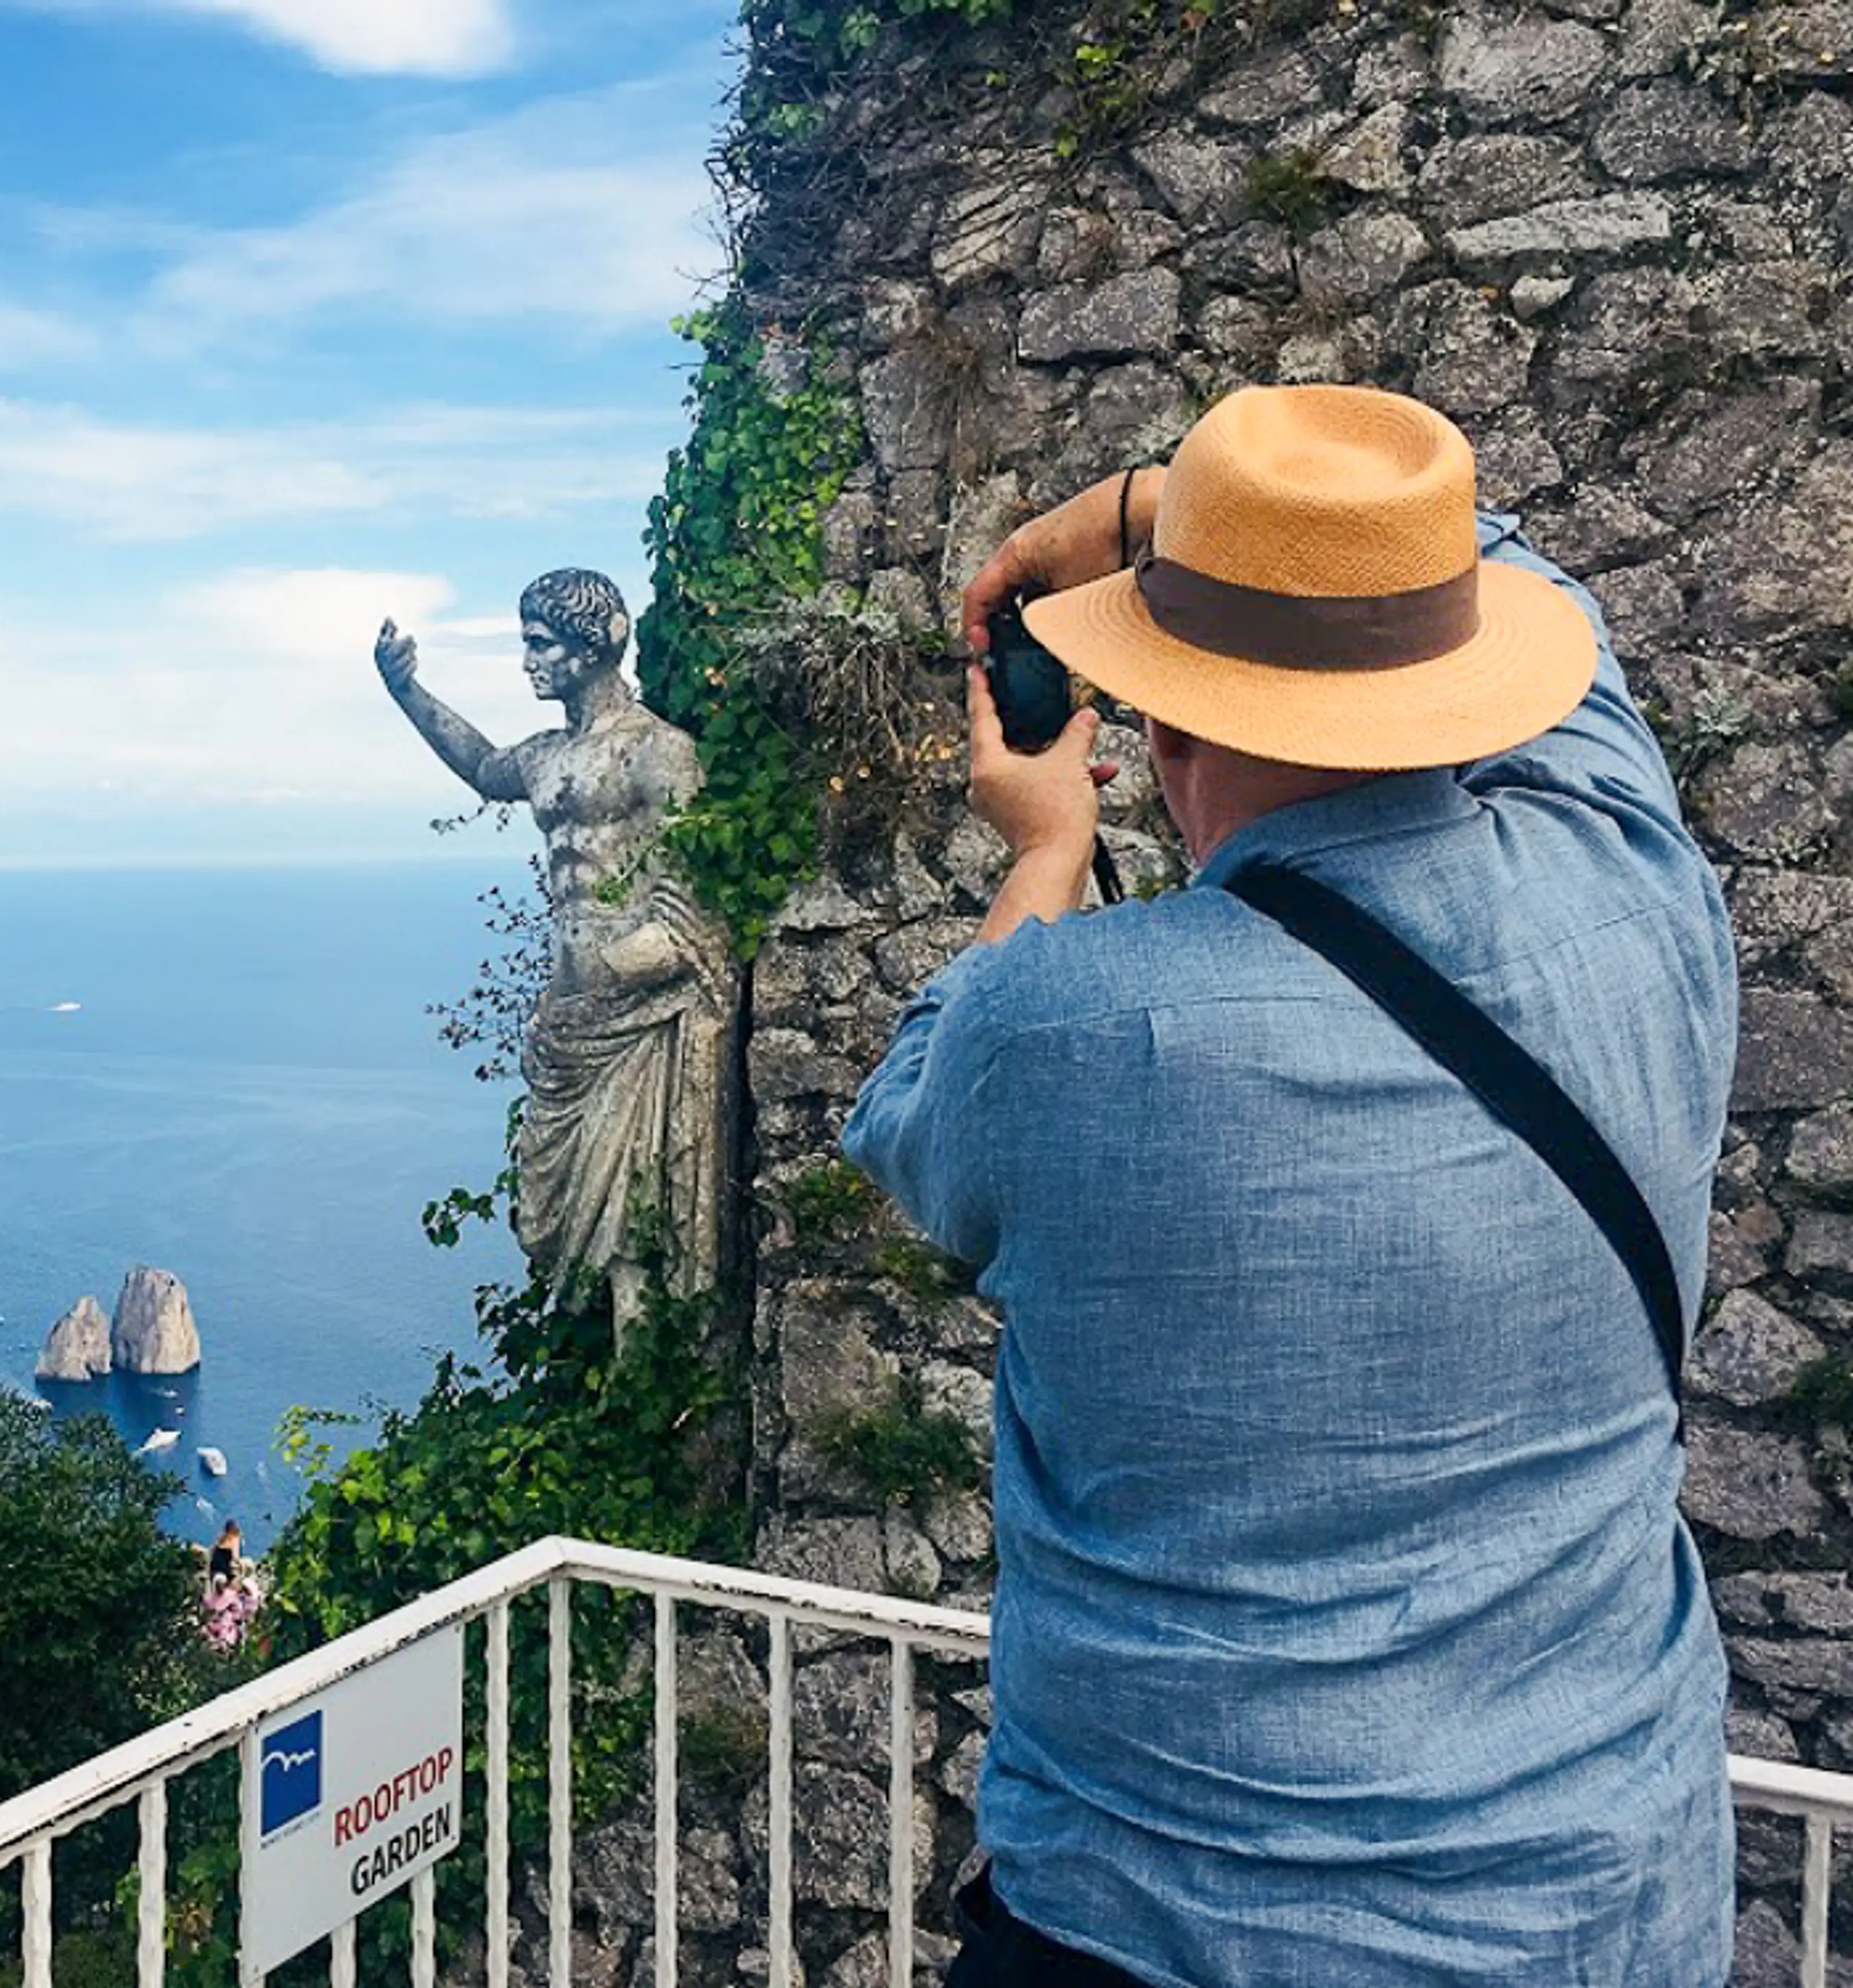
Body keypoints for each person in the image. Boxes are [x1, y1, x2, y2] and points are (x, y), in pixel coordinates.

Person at [842, 386, 1736, 1986]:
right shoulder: (1642, 887)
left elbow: (906, 1118)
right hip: (1614, 1909)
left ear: (1159, 724)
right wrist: (1150, 513)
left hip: (1166, 1926)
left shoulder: (1070, 1022)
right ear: (1459, 671)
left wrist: (1044, 850)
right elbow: (1502, 572)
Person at [374, 572, 738, 1335]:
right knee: (567, 1215)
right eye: (525, 644)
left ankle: (651, 1385)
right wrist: (408, 693)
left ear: (596, 642)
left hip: (639, 1016)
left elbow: (692, 909)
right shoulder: (546, 758)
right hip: (570, 1020)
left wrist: (618, 970)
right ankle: (621, 1392)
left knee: (636, 1226)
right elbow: (480, 765)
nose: (527, 662)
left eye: (540, 644)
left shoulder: (658, 753)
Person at [206, 1519, 243, 1595]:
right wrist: (241, 1566)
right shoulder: (233, 1539)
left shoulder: (221, 1538)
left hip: (214, 1569)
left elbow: (212, 1551)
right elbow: (235, 1557)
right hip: (224, 1569)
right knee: (237, 1587)